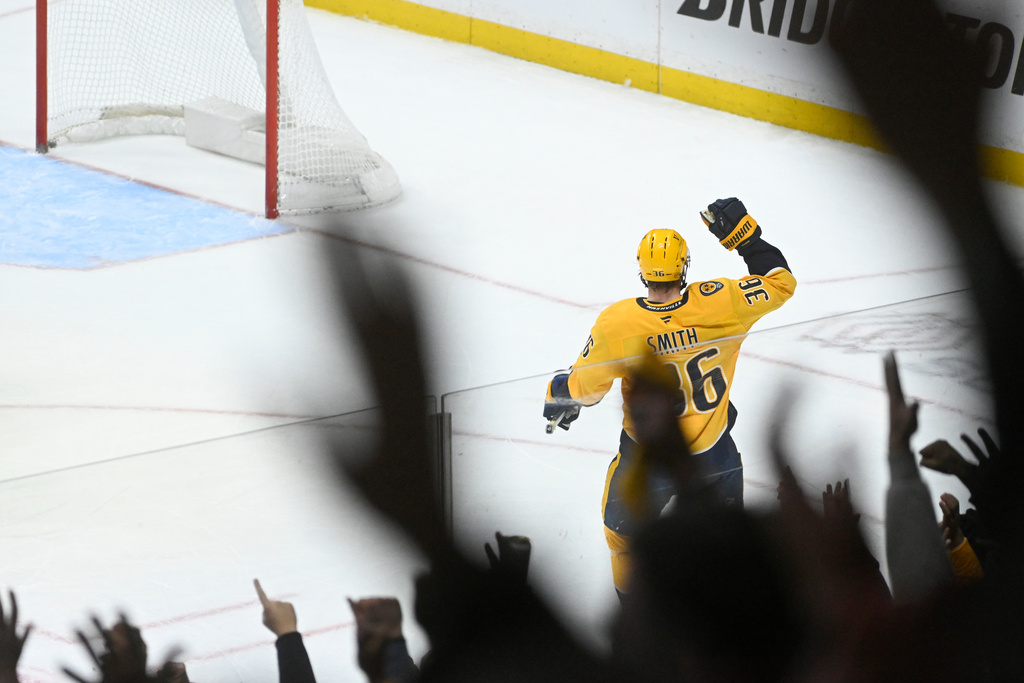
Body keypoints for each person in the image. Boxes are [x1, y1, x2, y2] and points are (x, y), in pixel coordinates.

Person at [543, 197, 797, 595]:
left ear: (642, 271)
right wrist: (743, 235)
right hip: (716, 454)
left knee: (624, 539)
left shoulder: (619, 323)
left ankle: (635, 624)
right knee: (726, 548)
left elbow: (585, 391)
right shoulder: (720, 300)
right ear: (685, 267)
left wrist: (560, 391)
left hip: (649, 460)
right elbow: (782, 281)